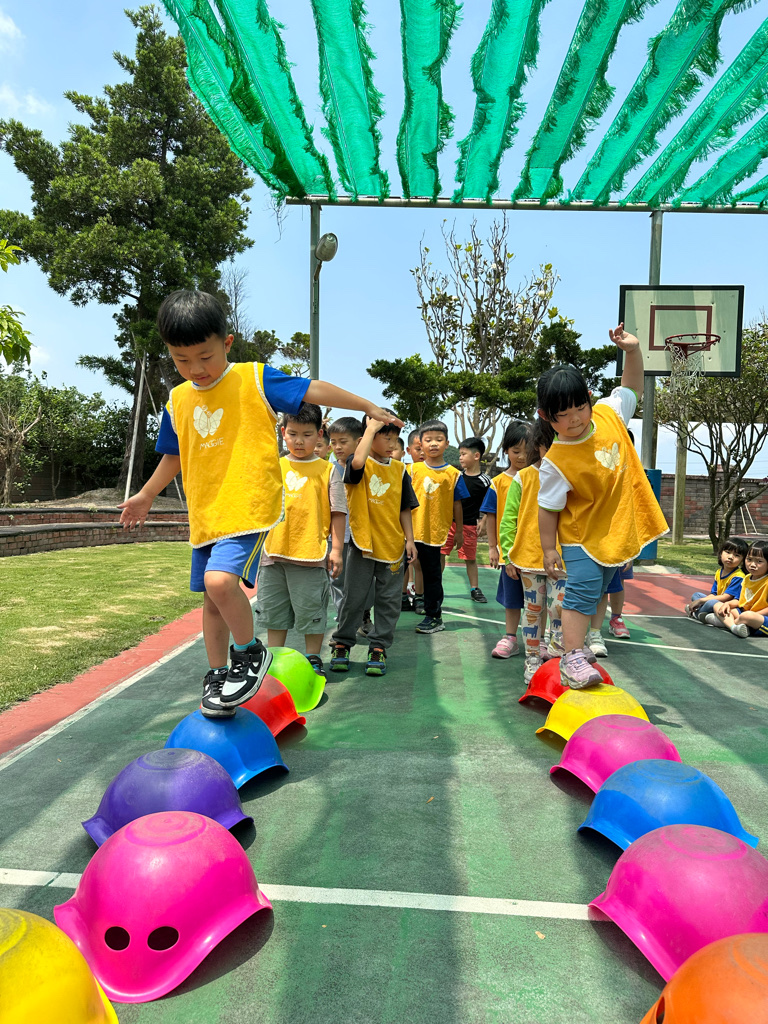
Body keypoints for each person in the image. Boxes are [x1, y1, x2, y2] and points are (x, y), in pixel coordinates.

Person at [119, 289, 400, 717]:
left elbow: (312, 389)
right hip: (207, 516)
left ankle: (250, 653)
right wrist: (145, 495)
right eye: (181, 360)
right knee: (211, 600)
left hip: (248, 507)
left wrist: (366, 406)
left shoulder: (253, 379)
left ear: (227, 343)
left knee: (220, 583)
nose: (196, 369)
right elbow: (174, 456)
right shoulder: (177, 401)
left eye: (205, 356)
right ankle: (218, 675)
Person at [538, 324, 668, 688]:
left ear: (590, 398)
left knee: (598, 591)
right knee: (582, 592)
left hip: (614, 531)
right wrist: (548, 549)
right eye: (564, 414)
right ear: (546, 416)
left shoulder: (609, 413)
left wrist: (633, 351)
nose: (576, 418)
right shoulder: (556, 461)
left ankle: (572, 644)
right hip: (580, 538)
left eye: (580, 407)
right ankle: (571, 657)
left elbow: (632, 387)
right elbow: (547, 508)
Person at [253, 403, 345, 679]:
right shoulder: (274, 466)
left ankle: (313, 658)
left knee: (311, 612)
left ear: (319, 435)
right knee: (274, 612)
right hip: (272, 555)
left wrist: (336, 550)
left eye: (307, 435)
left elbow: (338, 512)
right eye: (293, 434)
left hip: (310, 555)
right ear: (283, 433)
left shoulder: (328, 471)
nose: (299, 441)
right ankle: (274, 660)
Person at [330, 414, 418, 675]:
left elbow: (404, 508)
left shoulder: (400, 470)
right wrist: (371, 428)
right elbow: (358, 462)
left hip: (392, 546)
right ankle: (342, 643)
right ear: (368, 437)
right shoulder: (358, 463)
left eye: (394, 439)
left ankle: (378, 647)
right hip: (363, 545)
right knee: (353, 599)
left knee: (389, 601)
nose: (392, 444)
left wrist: (410, 539)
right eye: (385, 438)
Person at [499, 417, 565, 684]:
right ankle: (533, 658)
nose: (557, 451)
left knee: (560, 608)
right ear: (538, 446)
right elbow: (508, 520)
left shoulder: (568, 476)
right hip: (528, 559)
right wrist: (508, 556)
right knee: (533, 610)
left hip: (562, 559)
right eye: (550, 445)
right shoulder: (524, 478)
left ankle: (560, 658)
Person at [409, 420, 470, 633]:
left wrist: (459, 531)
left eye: (439, 439)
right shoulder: (412, 470)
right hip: (409, 532)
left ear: (447, 443)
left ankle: (434, 616)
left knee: (432, 576)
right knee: (396, 572)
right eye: (428, 440)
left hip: (434, 534)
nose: (433, 443)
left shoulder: (453, 474)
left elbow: (457, 504)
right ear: (420, 444)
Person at [479, 421, 530, 658]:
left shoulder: (540, 478)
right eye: (516, 451)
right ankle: (510, 637)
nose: (522, 456)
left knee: (539, 597)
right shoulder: (498, 483)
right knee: (512, 598)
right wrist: (493, 547)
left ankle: (542, 638)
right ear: (506, 450)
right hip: (510, 553)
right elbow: (491, 516)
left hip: (534, 552)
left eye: (527, 450)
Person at [441, 437, 492, 603]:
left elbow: (490, 504)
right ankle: (435, 585)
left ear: (476, 456)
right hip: (449, 524)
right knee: (441, 554)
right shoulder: (456, 477)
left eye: (463, 454)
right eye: (460, 454)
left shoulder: (485, 481)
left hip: (470, 526)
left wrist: (483, 521)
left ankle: (474, 589)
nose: (460, 458)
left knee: (470, 559)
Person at [327, 416, 365, 617]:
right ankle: (343, 617)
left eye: (343, 442)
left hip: (360, 535)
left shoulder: (365, 468)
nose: (337, 447)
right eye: (333, 442)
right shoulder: (328, 469)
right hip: (336, 536)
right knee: (337, 578)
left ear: (359, 442)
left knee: (361, 580)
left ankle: (363, 616)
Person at [706, 539, 768, 637]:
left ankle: (727, 623)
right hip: (745, 614)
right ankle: (734, 627)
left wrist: (753, 615)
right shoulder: (746, 579)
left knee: (747, 616)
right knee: (718, 605)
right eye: (749, 559)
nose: (752, 565)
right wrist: (728, 604)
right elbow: (739, 601)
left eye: (759, 561)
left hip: (761, 618)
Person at [685, 536, 747, 623]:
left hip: (727, 605)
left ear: (742, 560)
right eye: (728, 552)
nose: (731, 557)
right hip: (717, 600)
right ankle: (704, 613)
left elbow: (726, 597)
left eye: (737, 555)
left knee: (710, 602)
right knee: (696, 595)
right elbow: (713, 594)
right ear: (721, 553)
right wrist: (700, 600)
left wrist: (701, 601)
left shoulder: (738, 576)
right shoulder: (719, 572)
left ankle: (696, 613)